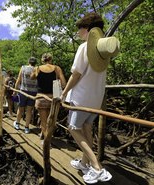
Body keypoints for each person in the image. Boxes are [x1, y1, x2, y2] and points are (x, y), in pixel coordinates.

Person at [60, 12, 119, 184]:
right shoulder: (102, 51)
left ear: (87, 30)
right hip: (96, 99)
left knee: (73, 128)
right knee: (87, 128)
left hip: (81, 98)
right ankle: (85, 163)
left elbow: (76, 75)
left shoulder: (84, 48)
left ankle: (97, 167)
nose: (78, 33)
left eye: (80, 29)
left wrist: (63, 94)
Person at [31, 53, 66, 142]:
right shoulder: (57, 68)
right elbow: (63, 84)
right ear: (51, 59)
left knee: (43, 121)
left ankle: (46, 141)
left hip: (41, 98)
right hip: (53, 99)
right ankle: (46, 136)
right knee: (51, 121)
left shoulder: (37, 68)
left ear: (42, 60)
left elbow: (32, 77)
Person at [13, 57, 38, 134]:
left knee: (20, 109)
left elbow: (18, 79)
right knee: (29, 111)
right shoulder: (37, 69)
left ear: (28, 61)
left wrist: (15, 91)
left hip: (23, 91)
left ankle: (17, 123)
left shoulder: (23, 68)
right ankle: (27, 127)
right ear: (35, 63)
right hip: (33, 92)